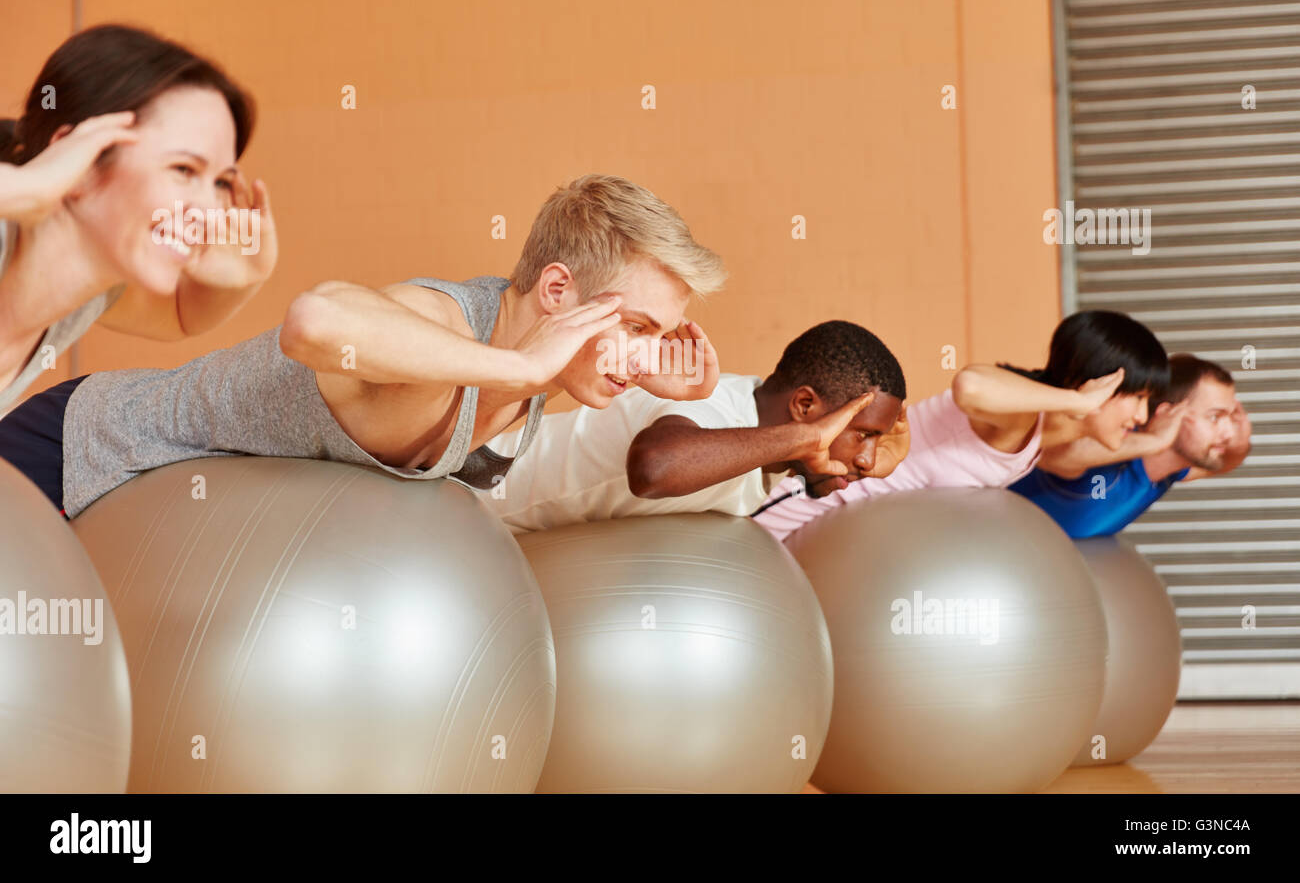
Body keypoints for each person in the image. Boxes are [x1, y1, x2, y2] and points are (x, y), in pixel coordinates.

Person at [0, 174, 726, 518]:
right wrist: (524, 366)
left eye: (655, 337)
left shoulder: (528, 384)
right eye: (635, 328)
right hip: (76, 459)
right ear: (559, 291)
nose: (642, 354)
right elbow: (314, 322)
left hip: (150, 536)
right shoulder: (449, 327)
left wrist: (639, 376)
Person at [0, 24, 273, 413]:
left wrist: (246, 277)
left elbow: (180, 316)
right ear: (80, 161)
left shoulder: (93, 289)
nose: (211, 211)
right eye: (183, 169)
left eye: (219, 182)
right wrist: (33, 187)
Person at [752, 309, 1170, 542]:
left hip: (845, 534)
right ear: (1093, 383)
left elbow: (1073, 458)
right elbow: (969, 385)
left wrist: (1158, 443)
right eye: (1136, 397)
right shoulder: (1021, 411)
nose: (1140, 415)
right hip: (805, 503)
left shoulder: (1048, 433)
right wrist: (1080, 401)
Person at [476, 319, 907, 534]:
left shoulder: (771, 453)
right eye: (864, 433)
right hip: (466, 497)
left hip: (499, 549)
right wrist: (807, 440)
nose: (867, 458)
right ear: (805, 405)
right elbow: (654, 469)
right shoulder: (714, 402)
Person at [1009, 354, 1252, 537]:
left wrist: (1240, 442)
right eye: (1214, 417)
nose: (1227, 431)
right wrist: (1155, 442)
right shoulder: (1108, 447)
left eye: (1230, 418)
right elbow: (1054, 453)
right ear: (1168, 414)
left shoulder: (1169, 471)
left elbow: (1220, 463)